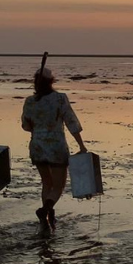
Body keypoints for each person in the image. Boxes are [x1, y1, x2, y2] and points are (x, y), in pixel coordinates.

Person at [21, 65, 86, 230]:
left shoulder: (29, 101)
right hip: (56, 147)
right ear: (52, 82)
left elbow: (26, 126)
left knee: (46, 183)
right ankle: (46, 210)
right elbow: (71, 122)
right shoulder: (59, 98)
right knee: (58, 186)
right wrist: (81, 145)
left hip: (37, 146)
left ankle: (47, 218)